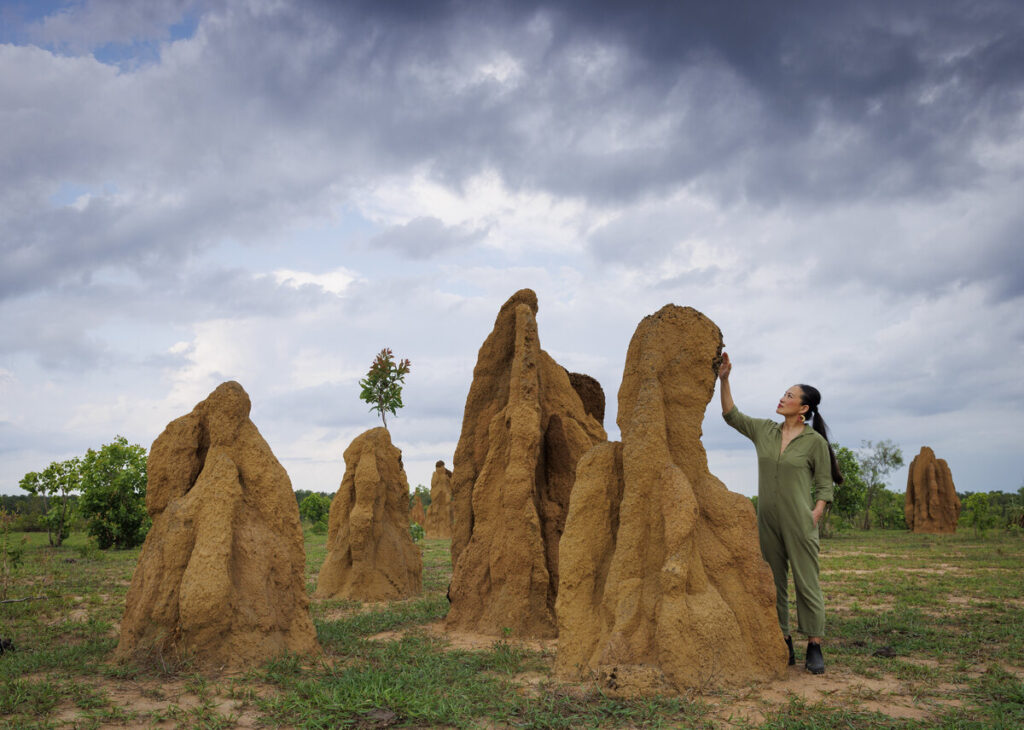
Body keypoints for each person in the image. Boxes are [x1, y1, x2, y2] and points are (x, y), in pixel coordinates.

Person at [718, 352, 843, 675]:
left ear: (803, 409)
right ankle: (782, 640)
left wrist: (814, 514)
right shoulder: (765, 431)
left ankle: (814, 645)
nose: (782, 398)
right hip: (768, 522)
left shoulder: (814, 442)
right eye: (784, 393)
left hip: (799, 521)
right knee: (772, 582)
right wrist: (725, 378)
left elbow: (824, 485)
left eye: (790, 395)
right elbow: (732, 415)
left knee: (806, 582)